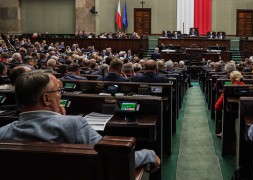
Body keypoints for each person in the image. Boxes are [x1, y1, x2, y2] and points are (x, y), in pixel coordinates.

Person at [0, 70, 160, 169]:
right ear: (47, 99)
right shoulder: (74, 124)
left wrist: (58, 120)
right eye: (58, 91)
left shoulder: (3, 133)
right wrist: (149, 154)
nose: (60, 95)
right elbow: (113, 158)